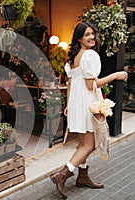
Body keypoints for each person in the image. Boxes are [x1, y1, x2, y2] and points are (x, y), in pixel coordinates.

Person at [50, 22, 128, 199]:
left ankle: (83, 176)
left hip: (78, 103)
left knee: (83, 143)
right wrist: (115, 75)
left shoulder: (74, 58)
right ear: (79, 38)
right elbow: (91, 84)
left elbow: (70, 83)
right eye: (87, 35)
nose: (91, 37)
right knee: (90, 144)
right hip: (87, 102)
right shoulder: (90, 55)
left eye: (92, 33)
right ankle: (63, 174)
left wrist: (69, 105)